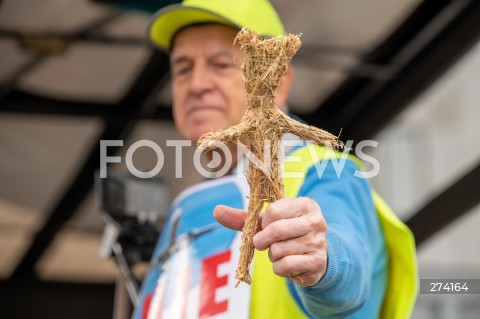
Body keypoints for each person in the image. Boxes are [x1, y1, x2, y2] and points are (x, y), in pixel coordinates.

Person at [133, 0, 418, 318]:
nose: (197, 84)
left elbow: (347, 269)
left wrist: (322, 263)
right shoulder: (190, 207)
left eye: (222, 64)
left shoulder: (326, 172)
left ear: (278, 80)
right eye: (183, 69)